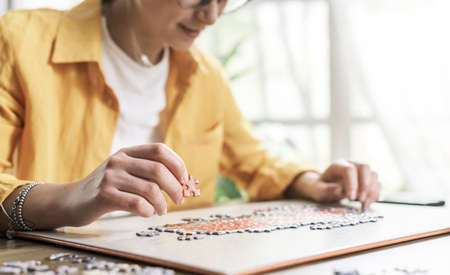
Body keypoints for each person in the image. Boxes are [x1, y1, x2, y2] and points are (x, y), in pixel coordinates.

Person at [0, 0, 380, 235]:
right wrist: (68, 198)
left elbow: (256, 163)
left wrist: (312, 181)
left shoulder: (205, 74)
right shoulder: (19, 40)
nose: (212, 15)